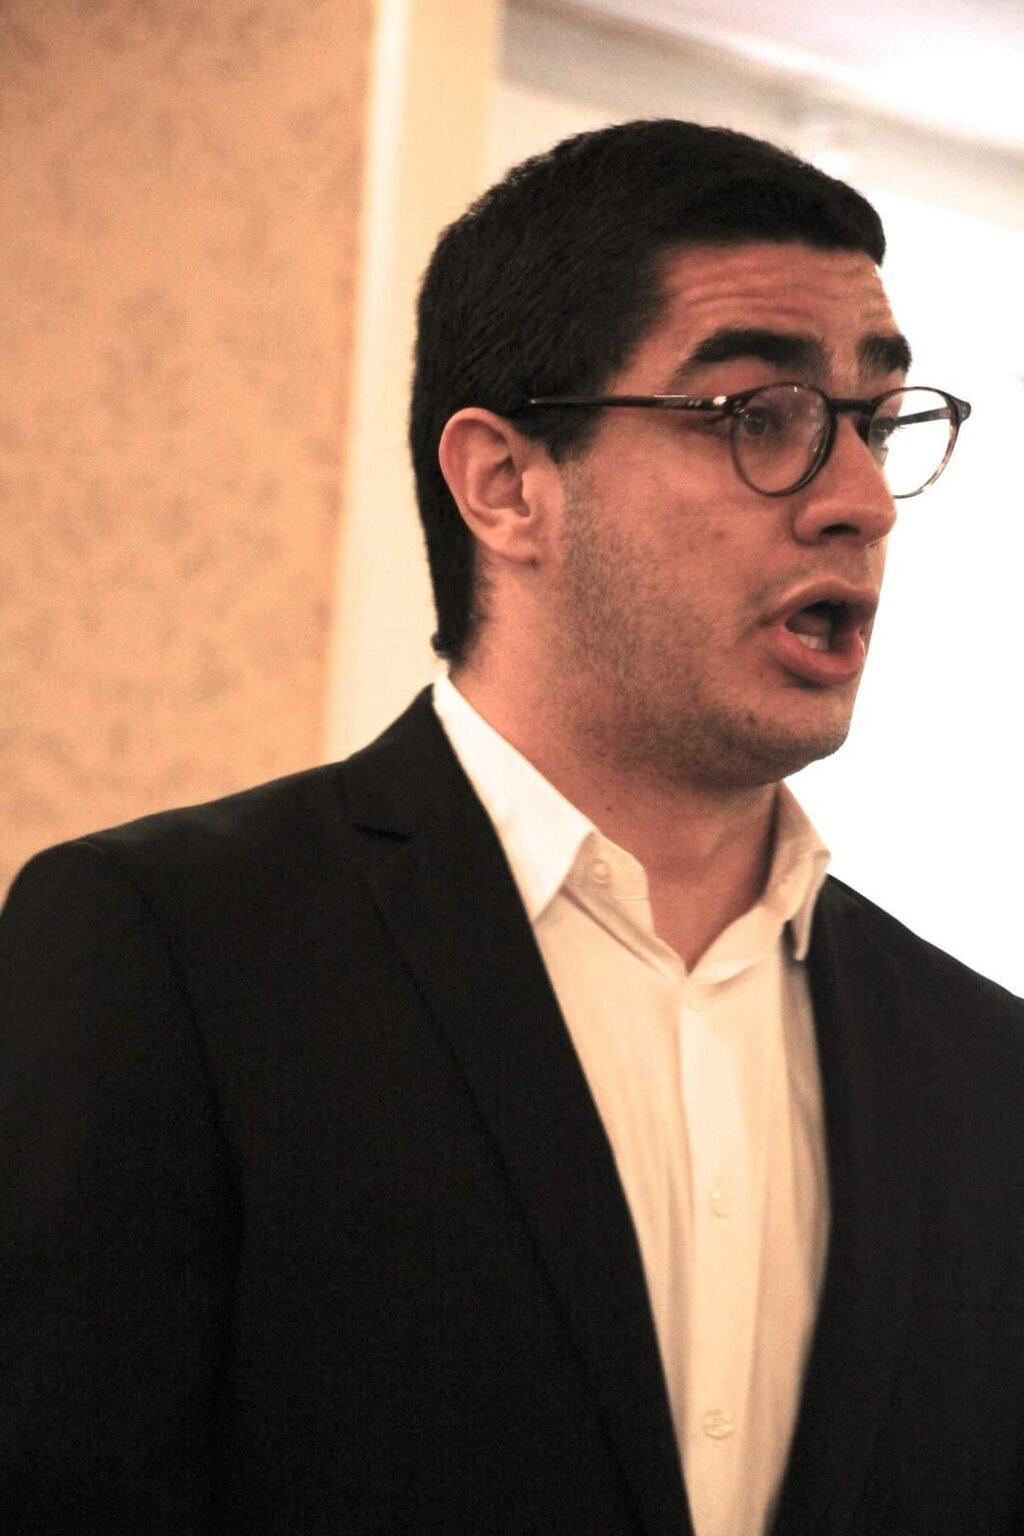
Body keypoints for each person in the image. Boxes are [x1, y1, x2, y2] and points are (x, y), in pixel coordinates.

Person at [2, 118, 1022, 1536]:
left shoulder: (984, 1068)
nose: (859, 503)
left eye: (879, 422)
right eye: (760, 416)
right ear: (505, 484)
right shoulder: (170, 955)